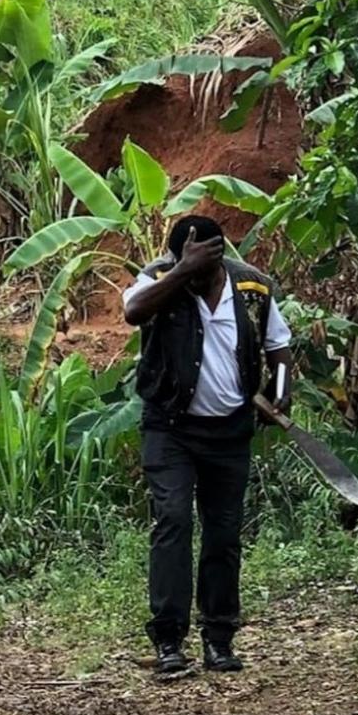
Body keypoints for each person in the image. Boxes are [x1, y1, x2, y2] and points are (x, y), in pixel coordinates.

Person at [123, 215, 292, 675]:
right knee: (173, 522)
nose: (194, 281)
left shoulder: (254, 287)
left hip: (229, 432)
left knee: (223, 534)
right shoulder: (159, 279)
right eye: (185, 267)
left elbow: (278, 346)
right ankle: (169, 642)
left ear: (219, 257)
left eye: (201, 270)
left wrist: (280, 392)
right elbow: (133, 312)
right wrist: (181, 272)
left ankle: (219, 638)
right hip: (170, 427)